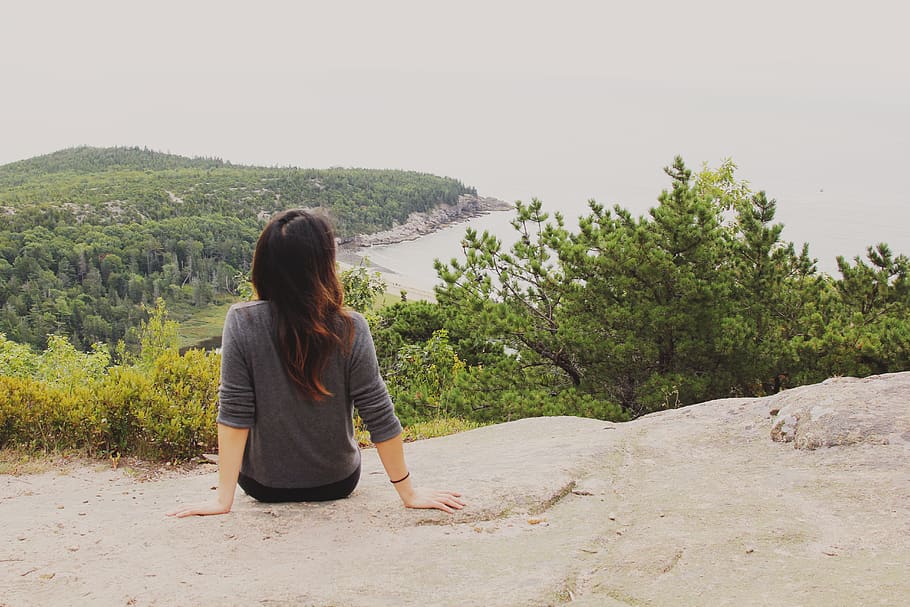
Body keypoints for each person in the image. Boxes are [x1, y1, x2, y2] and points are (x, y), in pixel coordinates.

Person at [168, 209, 464, 517]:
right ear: (323, 266)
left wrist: (222, 501)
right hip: (337, 481)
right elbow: (379, 414)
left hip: (262, 486)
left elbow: (234, 413)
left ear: (264, 265)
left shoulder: (242, 322)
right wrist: (408, 492)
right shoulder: (351, 327)